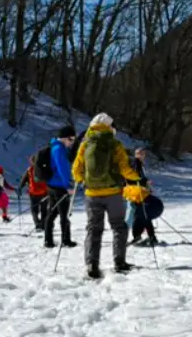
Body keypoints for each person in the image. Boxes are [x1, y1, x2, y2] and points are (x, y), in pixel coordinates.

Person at [72, 113, 139, 279]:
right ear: (109, 126)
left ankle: (92, 265)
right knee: (118, 226)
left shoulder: (85, 144)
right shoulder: (115, 144)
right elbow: (124, 169)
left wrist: (84, 181)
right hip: (113, 193)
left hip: (91, 194)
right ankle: (119, 263)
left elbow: (76, 170)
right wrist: (136, 178)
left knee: (93, 228)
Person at [45, 124, 79, 249]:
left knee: (52, 213)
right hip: (59, 186)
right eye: (71, 139)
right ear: (64, 138)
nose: (72, 142)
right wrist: (68, 185)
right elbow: (62, 168)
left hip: (52, 185)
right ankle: (66, 240)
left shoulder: (54, 147)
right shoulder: (59, 149)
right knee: (64, 214)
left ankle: (48, 240)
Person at [126, 146, 157, 247]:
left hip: (140, 191)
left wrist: (147, 186)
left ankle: (150, 236)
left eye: (142, 154)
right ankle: (140, 236)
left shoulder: (140, 164)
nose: (141, 156)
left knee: (143, 214)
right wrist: (144, 181)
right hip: (135, 192)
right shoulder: (135, 162)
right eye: (139, 154)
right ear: (136, 155)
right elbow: (136, 177)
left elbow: (140, 177)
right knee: (138, 215)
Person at [20, 146, 51, 235]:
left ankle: (37, 224)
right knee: (44, 209)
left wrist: (20, 188)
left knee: (34, 210)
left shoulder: (29, 170)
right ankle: (43, 225)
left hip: (33, 193)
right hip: (44, 192)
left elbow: (23, 180)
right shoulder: (44, 168)